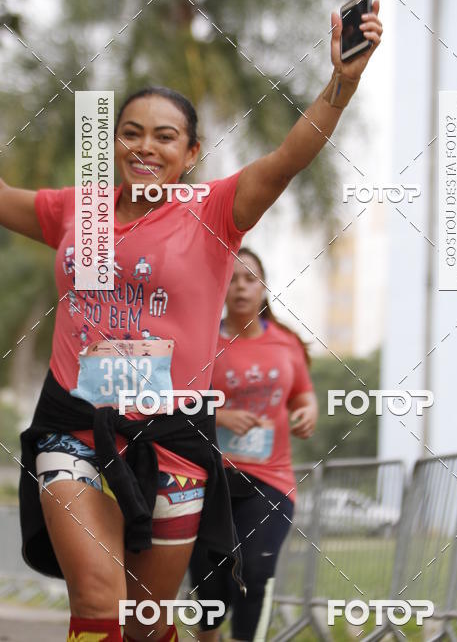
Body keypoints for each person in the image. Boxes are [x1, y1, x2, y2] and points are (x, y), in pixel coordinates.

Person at [0, 1, 382, 642]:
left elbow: (287, 158)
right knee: (97, 595)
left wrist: (343, 83)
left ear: (190, 153)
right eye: (130, 131)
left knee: (144, 619)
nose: (144, 146)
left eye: (164, 136)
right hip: (74, 424)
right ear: (112, 142)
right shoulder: (77, 210)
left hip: (174, 435)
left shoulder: (215, 209)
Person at [188, 247, 317, 642]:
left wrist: (307, 412)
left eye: (251, 279)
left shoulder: (287, 344)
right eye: (233, 279)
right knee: (210, 588)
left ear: (264, 288)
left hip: (270, 480)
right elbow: (176, 402)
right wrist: (219, 417)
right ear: (220, 288)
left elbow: (303, 395)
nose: (241, 287)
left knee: (255, 573)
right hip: (210, 481)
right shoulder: (202, 340)